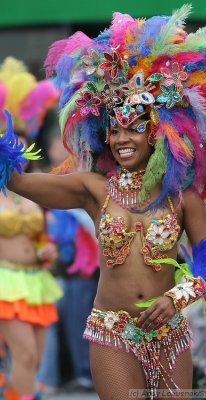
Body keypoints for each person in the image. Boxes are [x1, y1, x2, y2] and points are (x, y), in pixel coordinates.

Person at [0, 5, 206, 399]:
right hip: (110, 331)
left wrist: (176, 298)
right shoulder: (93, 189)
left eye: (134, 129)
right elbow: (19, 181)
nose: (122, 139)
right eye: (114, 131)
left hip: (169, 334)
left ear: (156, 134)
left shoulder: (182, 198)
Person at [0, 57, 62, 400]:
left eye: (22, 143)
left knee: (33, 361)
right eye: (11, 143)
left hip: (36, 280)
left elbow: (39, 238)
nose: (18, 149)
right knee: (22, 356)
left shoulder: (34, 190)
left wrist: (45, 250)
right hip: (4, 282)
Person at [37, 131, 99, 393]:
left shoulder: (86, 179)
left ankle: (85, 373)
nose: (60, 150)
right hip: (46, 267)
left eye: (66, 146)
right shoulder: (41, 179)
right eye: (55, 143)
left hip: (82, 270)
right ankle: (48, 378)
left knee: (79, 321)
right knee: (47, 323)